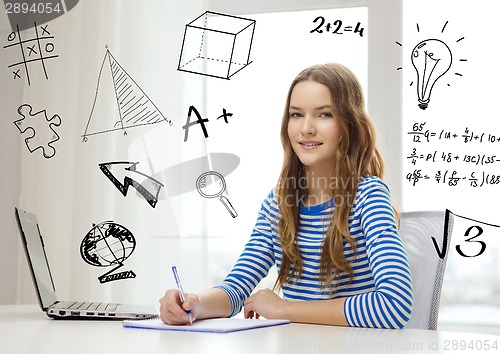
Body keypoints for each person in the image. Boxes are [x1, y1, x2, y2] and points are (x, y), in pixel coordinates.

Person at [159, 63, 413, 329]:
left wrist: (283, 308)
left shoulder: (368, 197)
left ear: (349, 124)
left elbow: (394, 306)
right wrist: (194, 304)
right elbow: (235, 289)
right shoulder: (278, 205)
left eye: (324, 114)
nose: (307, 128)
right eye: (296, 115)